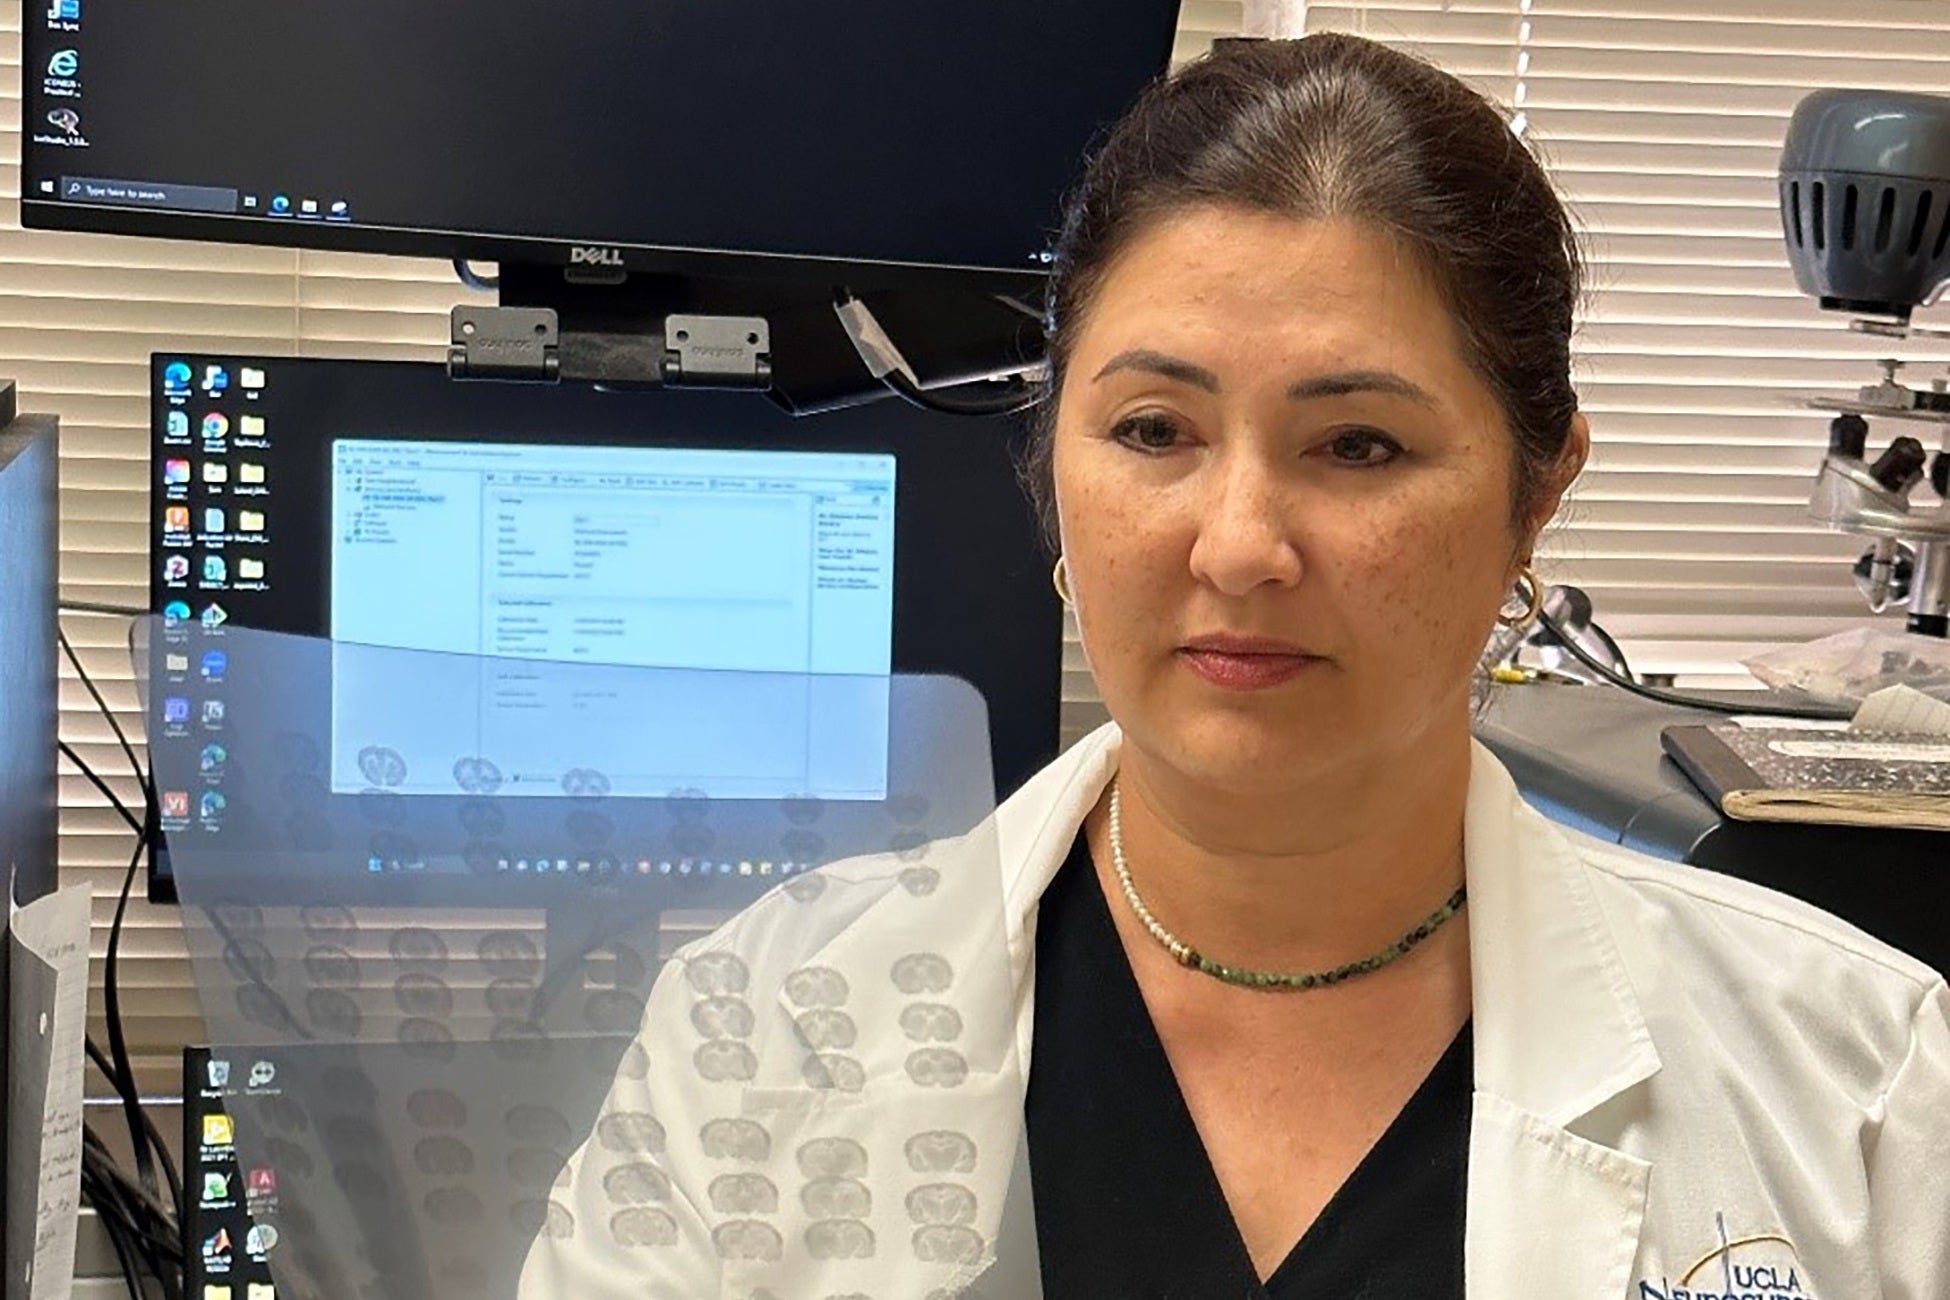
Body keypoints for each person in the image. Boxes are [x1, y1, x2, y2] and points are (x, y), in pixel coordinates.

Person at [519, 33, 1950, 1300]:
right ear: (1051, 461)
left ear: (1536, 491)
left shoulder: (1859, 1086)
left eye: (1358, 445)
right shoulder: (762, 1027)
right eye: (1151, 430)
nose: (1240, 544)